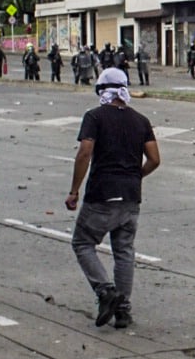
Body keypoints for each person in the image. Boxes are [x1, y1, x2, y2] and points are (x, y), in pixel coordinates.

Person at [65, 67, 160, 330]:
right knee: (124, 251)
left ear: (101, 91)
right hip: (131, 196)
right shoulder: (140, 120)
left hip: (102, 195)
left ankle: (105, 291)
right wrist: (135, 176)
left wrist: (74, 191)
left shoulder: (94, 116)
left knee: (82, 242)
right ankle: (123, 311)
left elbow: (85, 153)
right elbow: (154, 159)